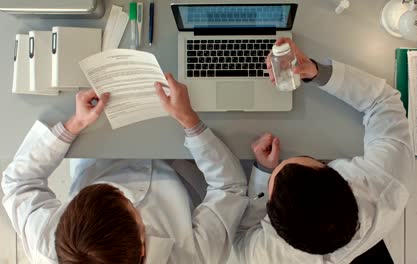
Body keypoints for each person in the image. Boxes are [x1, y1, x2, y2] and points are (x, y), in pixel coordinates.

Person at [2, 74, 248, 263]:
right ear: (142, 246)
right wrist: (190, 122)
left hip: (101, 151)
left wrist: (74, 124)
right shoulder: (190, 257)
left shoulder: (48, 244)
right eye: (126, 202)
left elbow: (17, 184)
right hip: (174, 160)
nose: (122, 190)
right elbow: (230, 188)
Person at [232, 38, 414, 263]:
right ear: (345, 180)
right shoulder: (388, 182)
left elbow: (240, 237)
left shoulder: (269, 255)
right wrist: (316, 72)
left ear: (274, 229)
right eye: (309, 159)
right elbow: (384, 102)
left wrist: (263, 172)